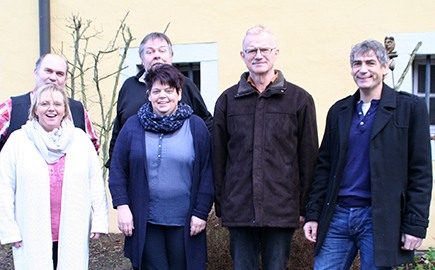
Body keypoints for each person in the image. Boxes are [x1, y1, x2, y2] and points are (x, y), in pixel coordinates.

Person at [303, 40, 433, 269]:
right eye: (357, 64)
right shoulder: (339, 111)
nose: (363, 69)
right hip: (337, 216)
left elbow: (421, 172)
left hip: (380, 218)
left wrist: (415, 225)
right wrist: (313, 213)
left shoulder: (410, 108)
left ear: (384, 67)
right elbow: (324, 166)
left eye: (370, 62)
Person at [212, 25, 318, 270]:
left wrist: (305, 207)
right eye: (251, 50)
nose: (258, 55)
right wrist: (222, 204)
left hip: (281, 207)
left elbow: (308, 158)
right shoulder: (227, 101)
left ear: (276, 53)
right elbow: (218, 158)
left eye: (264, 49)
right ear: (243, 56)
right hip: (239, 207)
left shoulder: (299, 99)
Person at [109, 64, 214, 270]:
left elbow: (207, 172)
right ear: (148, 94)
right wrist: (122, 207)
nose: (162, 96)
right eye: (156, 91)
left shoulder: (196, 126)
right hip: (146, 221)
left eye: (169, 90)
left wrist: (201, 212)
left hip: (185, 222)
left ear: (179, 93)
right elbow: (118, 169)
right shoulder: (132, 125)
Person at [0, 84, 109, 269]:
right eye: (45, 103)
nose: (51, 108)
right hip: (30, 229)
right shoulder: (18, 141)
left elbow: (95, 182)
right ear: (35, 109)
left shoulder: (80, 139)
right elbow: (4, 186)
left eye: (57, 104)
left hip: (72, 228)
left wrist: (100, 219)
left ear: (65, 110)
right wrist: (8, 229)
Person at [106, 32, 212, 168]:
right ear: (142, 58)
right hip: (135, 169)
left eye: (162, 50)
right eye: (150, 52)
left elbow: (206, 123)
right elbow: (119, 129)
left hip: (179, 168)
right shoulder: (129, 86)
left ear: (171, 57)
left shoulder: (185, 85)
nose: (157, 55)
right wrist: (114, 167)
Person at [0, 53, 100, 152]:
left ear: (65, 80)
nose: (53, 77)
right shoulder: (11, 108)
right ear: (36, 73)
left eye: (59, 74)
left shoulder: (77, 110)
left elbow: (93, 147)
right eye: (48, 71)